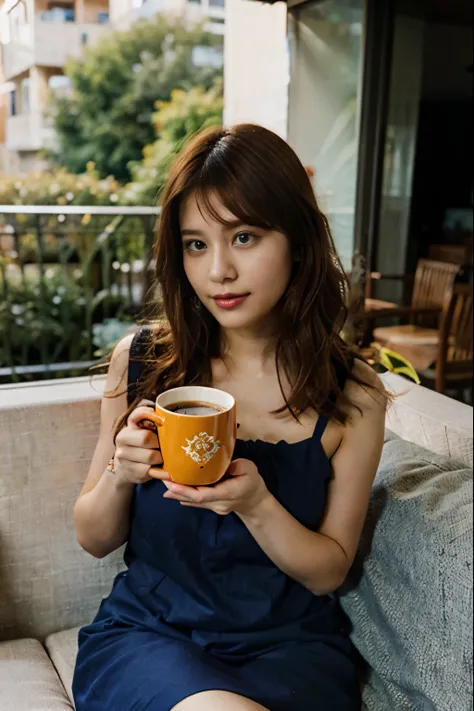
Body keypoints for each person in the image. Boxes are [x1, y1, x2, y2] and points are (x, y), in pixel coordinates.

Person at [72, 123, 388, 711]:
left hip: (289, 652)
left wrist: (256, 505)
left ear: (296, 239)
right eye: (196, 244)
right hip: (150, 637)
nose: (218, 270)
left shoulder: (353, 396)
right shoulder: (140, 362)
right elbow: (93, 537)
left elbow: (327, 573)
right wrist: (122, 470)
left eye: (243, 237)